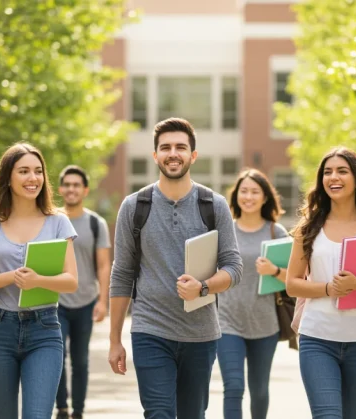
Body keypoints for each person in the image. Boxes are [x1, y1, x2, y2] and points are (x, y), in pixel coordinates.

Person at [108, 117, 243, 419]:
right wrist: (115, 339)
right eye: (165, 147)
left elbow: (234, 267)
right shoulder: (134, 206)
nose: (173, 153)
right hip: (150, 330)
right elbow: (122, 274)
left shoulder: (214, 204)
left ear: (193, 155)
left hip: (201, 334)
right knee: (158, 413)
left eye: (181, 147)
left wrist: (203, 287)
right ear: (155, 155)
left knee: (192, 414)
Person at [0, 143, 78, 419]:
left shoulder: (57, 221)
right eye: (24, 171)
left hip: (44, 329)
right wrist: (10, 277)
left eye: (38, 171)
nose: (33, 178)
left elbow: (71, 280)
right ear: (8, 178)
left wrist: (38, 280)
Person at [285, 147, 356, 419]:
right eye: (327, 172)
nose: (333, 177)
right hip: (318, 339)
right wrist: (328, 289)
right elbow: (292, 283)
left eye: (341, 171)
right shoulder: (309, 226)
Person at [217, 168, 287, 419]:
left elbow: (294, 280)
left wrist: (274, 269)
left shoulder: (276, 233)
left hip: (265, 324)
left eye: (254, 192)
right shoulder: (224, 230)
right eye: (243, 191)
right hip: (227, 322)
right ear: (235, 196)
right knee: (233, 387)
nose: (248, 196)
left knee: (259, 390)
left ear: (265, 197)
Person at [55, 165, 112, 419]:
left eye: (76, 185)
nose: (71, 189)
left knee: (81, 361)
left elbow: (103, 265)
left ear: (85, 190)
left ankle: (78, 411)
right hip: (56, 301)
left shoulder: (95, 223)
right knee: (56, 356)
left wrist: (103, 301)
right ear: (60, 189)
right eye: (67, 185)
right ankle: (62, 408)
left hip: (86, 301)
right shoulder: (52, 220)